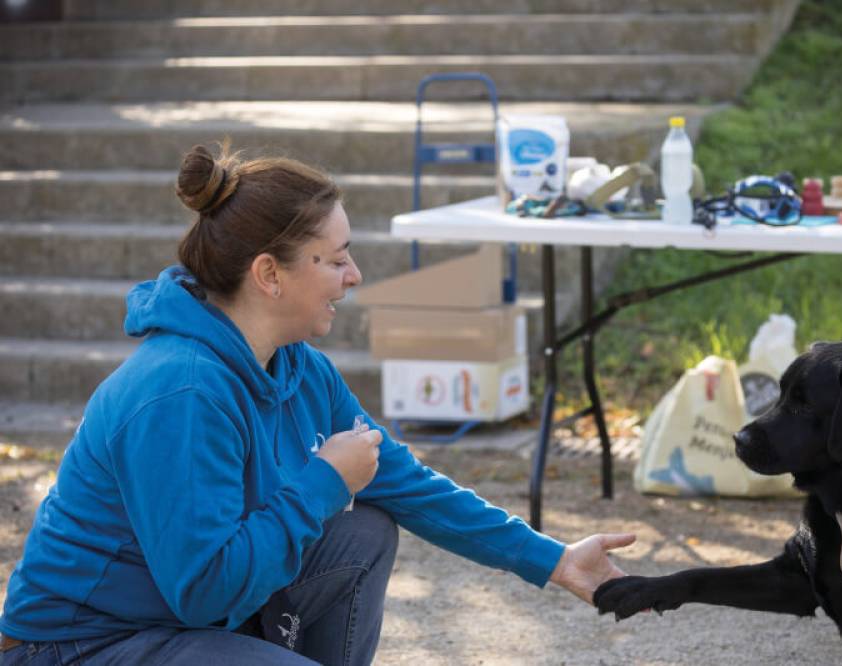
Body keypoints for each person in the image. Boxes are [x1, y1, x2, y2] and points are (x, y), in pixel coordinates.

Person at [0, 145, 635, 665]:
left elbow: (406, 484)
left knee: (363, 532)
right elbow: (201, 592)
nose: (354, 274)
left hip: (171, 619)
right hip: (77, 644)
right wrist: (323, 481)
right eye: (334, 259)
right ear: (269, 275)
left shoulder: (298, 366)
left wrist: (553, 560)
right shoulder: (183, 391)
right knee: (338, 517)